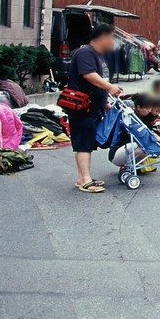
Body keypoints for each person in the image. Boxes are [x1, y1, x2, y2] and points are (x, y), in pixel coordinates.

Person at [66, 24, 121, 193]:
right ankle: (85, 180)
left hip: (92, 106)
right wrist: (110, 87)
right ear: (103, 37)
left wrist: (104, 100)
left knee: (87, 141)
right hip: (82, 107)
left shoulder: (97, 55)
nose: (113, 42)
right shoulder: (85, 53)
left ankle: (83, 176)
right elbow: (88, 74)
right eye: (111, 37)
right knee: (83, 142)